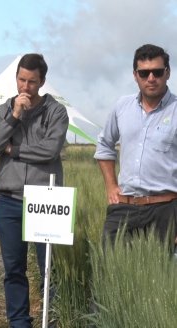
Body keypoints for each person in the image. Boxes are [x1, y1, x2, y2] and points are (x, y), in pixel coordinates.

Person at [0, 53, 69, 328]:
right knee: (13, 269)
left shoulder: (56, 112)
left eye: (32, 81)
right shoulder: (3, 110)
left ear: (42, 82)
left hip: (47, 198)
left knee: (49, 269)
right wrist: (14, 117)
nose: (25, 87)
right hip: (9, 200)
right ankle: (19, 322)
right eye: (22, 80)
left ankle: (51, 319)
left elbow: (50, 150)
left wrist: (14, 150)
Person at [94, 44, 177, 246]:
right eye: (144, 73)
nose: (151, 78)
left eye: (157, 72)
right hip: (124, 207)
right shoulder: (121, 106)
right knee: (111, 268)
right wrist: (111, 186)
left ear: (167, 73)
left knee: (162, 275)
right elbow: (104, 146)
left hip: (166, 209)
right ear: (135, 75)